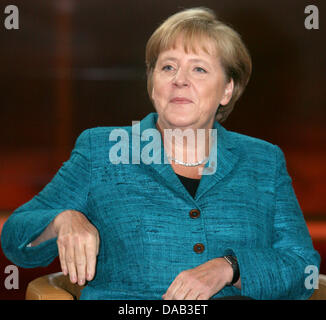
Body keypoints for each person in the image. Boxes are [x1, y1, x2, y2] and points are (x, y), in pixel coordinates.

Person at [1, 7, 320, 300]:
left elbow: (303, 270)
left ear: (227, 89)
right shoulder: (102, 150)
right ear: (153, 83)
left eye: (199, 69)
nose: (180, 80)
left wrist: (229, 268)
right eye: (168, 67)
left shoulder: (264, 161)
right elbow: (15, 239)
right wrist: (63, 220)